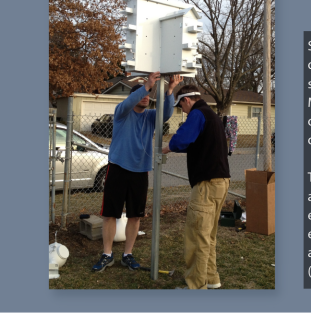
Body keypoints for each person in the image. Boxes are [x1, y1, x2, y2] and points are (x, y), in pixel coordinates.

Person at [92, 72, 179, 272]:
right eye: (143, 94)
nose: (146, 97)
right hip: (118, 168)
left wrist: (170, 90)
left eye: (149, 94)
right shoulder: (122, 113)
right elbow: (128, 101)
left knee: (135, 216)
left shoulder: (150, 117)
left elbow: (165, 114)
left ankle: (127, 254)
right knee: (109, 215)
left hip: (140, 172)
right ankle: (107, 254)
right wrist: (146, 85)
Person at [162, 86, 231, 290]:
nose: (182, 110)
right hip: (221, 182)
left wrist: (166, 147)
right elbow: (193, 143)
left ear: (187, 100)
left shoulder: (197, 113)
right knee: (208, 234)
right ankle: (211, 278)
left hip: (207, 185)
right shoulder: (211, 115)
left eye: (181, 105)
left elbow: (182, 139)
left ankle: (195, 286)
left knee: (197, 234)